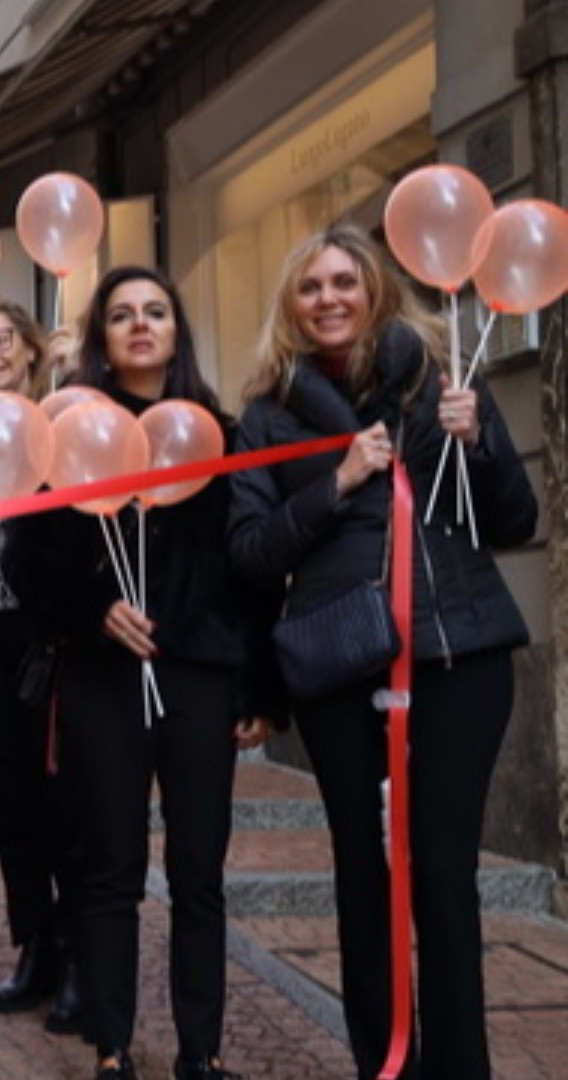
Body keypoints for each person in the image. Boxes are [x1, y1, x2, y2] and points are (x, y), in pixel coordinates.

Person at [230, 225, 536, 1080]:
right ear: (290, 307)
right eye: (310, 287)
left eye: (344, 282)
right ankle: (385, 1065)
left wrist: (484, 443)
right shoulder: (265, 416)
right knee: (363, 875)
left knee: (442, 874)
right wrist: (335, 487)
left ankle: (460, 1068)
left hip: (460, 656)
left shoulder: (443, 389)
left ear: (374, 291)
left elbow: (516, 524)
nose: (328, 299)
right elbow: (251, 554)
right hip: (339, 662)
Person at [18, 267, 273, 1080]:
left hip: (199, 671)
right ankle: (112, 1046)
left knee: (199, 869)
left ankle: (202, 1051)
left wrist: (257, 685)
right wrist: (95, 607)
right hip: (104, 671)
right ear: (101, 336)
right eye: (121, 314)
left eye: (155, 312)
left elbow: (251, 569)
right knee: (111, 865)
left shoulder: (222, 433)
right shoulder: (68, 434)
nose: (139, 326)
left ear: (176, 330)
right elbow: (32, 559)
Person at [0, 298, 84, 1033]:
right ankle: (34, 945)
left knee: (61, 800)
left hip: (47, 634)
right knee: (6, 804)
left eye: (1, 341)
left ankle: (76, 951)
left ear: (28, 348)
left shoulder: (60, 418)